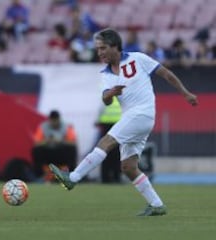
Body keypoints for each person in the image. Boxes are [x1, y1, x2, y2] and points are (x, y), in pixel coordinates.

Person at [49, 28, 198, 216]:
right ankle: (157, 205)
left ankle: (73, 177)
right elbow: (106, 98)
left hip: (142, 113)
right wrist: (111, 93)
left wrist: (185, 93)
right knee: (128, 167)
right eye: (98, 49)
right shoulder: (105, 74)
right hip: (133, 118)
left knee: (106, 142)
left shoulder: (138, 58)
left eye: (103, 48)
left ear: (115, 47)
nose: (100, 52)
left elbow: (166, 74)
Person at [32, 110, 77, 181]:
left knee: (72, 149)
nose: (54, 123)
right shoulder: (43, 127)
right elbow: (36, 143)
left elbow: (73, 143)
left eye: (56, 120)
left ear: (59, 119)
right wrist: (47, 141)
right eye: (53, 120)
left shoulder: (66, 127)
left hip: (61, 152)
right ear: (49, 120)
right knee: (36, 150)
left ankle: (72, 176)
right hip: (48, 152)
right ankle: (39, 176)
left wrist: (61, 141)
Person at [96, 96, 122, 183]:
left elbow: (101, 110)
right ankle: (117, 177)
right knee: (117, 153)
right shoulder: (121, 98)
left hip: (106, 125)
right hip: (118, 125)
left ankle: (105, 178)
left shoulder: (107, 96)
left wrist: (98, 121)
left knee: (105, 151)